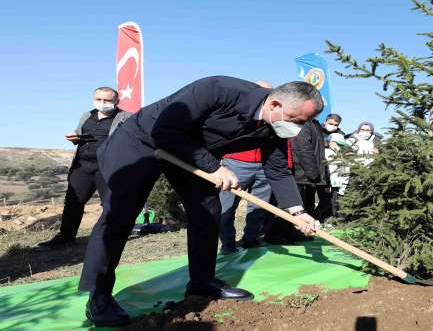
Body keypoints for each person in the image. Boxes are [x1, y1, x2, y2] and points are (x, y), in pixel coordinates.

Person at [78, 77, 322, 327]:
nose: (298, 128)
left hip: (192, 152)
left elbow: (278, 170)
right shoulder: (218, 90)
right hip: (141, 142)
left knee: (207, 209)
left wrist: (297, 211)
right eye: (297, 120)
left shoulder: (273, 126)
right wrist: (214, 167)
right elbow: (165, 130)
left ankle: (202, 282)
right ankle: (98, 294)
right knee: (120, 213)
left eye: (305, 123)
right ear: (275, 104)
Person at [38, 87, 131, 249]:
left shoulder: (126, 117)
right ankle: (66, 237)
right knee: (73, 201)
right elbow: (79, 134)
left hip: (107, 166)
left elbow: (131, 140)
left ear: (116, 101)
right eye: (99, 99)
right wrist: (74, 138)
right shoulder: (86, 116)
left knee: (110, 203)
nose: (102, 103)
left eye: (107, 100)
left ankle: (111, 236)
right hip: (83, 165)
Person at [218, 81, 273, 254]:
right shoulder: (237, 110)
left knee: (259, 207)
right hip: (236, 163)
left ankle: (250, 239)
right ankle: (228, 244)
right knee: (226, 206)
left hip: (264, 166)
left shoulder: (273, 116)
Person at [291, 118, 329, 220]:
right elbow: (303, 148)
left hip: (309, 174)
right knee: (296, 207)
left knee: (307, 205)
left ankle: (299, 231)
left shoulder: (315, 123)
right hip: (301, 174)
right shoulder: (303, 123)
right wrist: (313, 173)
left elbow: (318, 150)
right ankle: (286, 233)